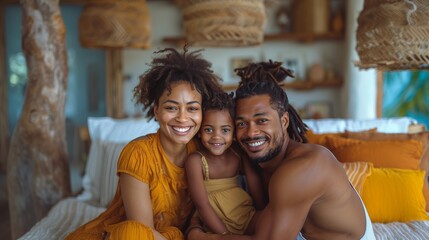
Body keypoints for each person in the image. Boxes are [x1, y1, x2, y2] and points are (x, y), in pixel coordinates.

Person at [187, 60, 376, 240]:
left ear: (284, 121)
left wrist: (203, 237)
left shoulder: (304, 167)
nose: (251, 132)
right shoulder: (255, 157)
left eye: (262, 121)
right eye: (242, 124)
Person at [65, 46, 223, 240]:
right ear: (156, 110)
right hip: (126, 237)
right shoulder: (137, 153)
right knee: (134, 232)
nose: (183, 118)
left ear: (201, 112)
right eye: (172, 108)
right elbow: (144, 232)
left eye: (192, 108)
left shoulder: (203, 150)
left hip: (174, 236)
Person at [185, 91, 266, 236]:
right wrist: (224, 235)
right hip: (215, 222)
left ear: (234, 132)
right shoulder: (196, 161)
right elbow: (202, 205)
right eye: (208, 129)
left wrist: (262, 211)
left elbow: (254, 183)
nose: (217, 136)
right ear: (199, 131)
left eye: (225, 130)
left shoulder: (238, 153)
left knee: (271, 221)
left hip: (245, 215)